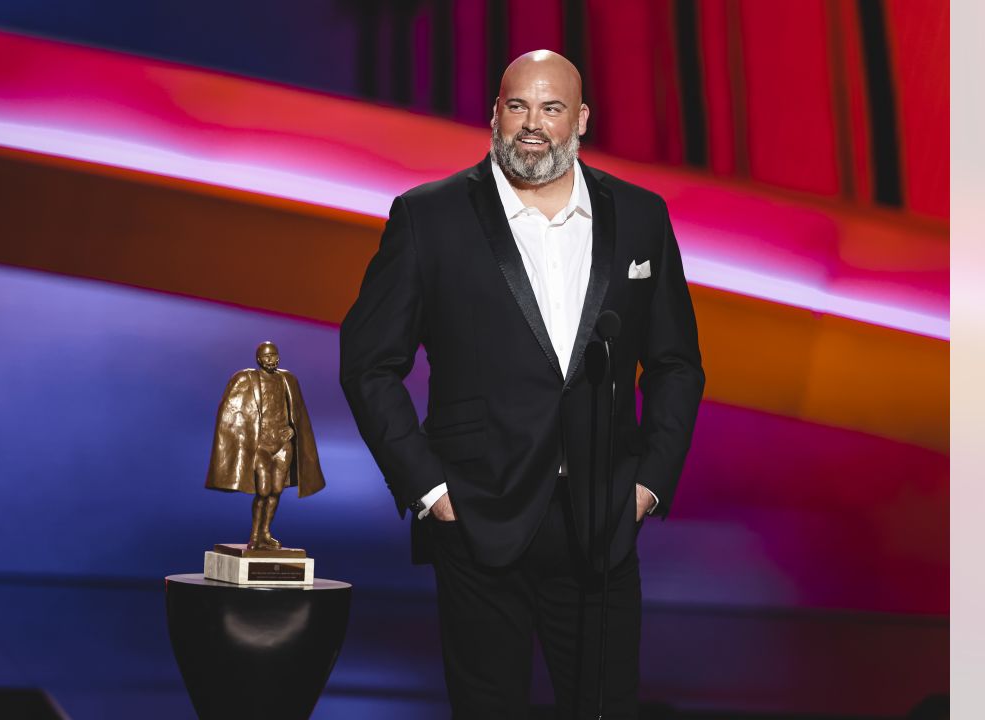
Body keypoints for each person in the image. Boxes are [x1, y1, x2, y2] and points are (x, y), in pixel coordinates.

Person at [340, 50, 705, 718]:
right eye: (518, 105)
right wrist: (432, 491)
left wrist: (649, 483)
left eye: (552, 107)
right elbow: (368, 363)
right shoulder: (430, 217)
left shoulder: (641, 217)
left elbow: (677, 363)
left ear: (582, 119)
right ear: (495, 114)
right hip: (478, 518)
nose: (532, 124)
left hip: (604, 521)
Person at [206, 341, 325, 550]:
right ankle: (255, 535)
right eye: (268, 356)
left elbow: (298, 413)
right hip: (261, 445)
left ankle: (266, 533)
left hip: (282, 444)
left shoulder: (288, 379)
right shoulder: (248, 379)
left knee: (276, 490)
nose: (273, 360)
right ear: (259, 359)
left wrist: (293, 430)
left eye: (275, 355)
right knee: (263, 490)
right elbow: (231, 410)